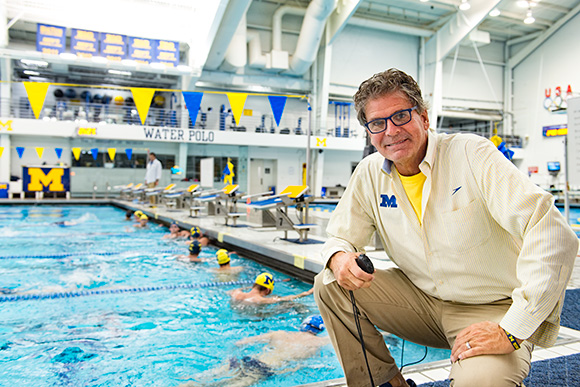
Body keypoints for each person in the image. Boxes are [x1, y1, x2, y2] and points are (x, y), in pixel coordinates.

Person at [313, 68, 579, 387]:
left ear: (424, 117)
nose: (391, 131)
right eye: (378, 123)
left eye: (400, 116)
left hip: (492, 308)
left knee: (481, 383)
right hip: (420, 303)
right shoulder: (370, 174)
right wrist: (340, 258)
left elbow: (551, 229)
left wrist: (513, 328)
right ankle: (386, 383)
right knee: (329, 283)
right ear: (369, 132)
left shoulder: (470, 154)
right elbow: (340, 237)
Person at [179, 315, 329, 387]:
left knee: (212, 375)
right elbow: (301, 366)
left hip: (249, 358)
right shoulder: (317, 343)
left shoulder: (279, 334)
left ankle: (187, 383)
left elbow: (241, 342)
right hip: (266, 368)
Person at [230, 273, 313, 305]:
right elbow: (287, 298)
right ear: (267, 290)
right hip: (253, 318)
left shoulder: (236, 293)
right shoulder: (261, 300)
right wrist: (308, 292)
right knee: (289, 305)